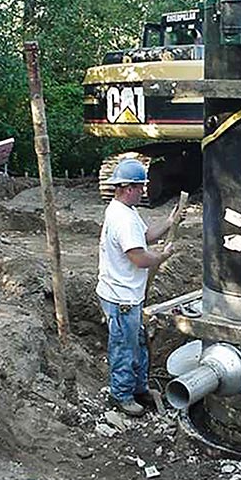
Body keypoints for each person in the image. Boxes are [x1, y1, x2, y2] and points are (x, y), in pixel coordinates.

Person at [96, 158, 176, 416]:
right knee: (123, 347)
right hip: (121, 299)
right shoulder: (122, 219)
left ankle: (139, 389)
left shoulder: (126, 211)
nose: (144, 191)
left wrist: (170, 222)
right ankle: (121, 395)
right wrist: (162, 257)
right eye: (141, 187)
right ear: (129, 187)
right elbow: (139, 258)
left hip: (129, 296)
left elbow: (146, 236)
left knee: (138, 344)